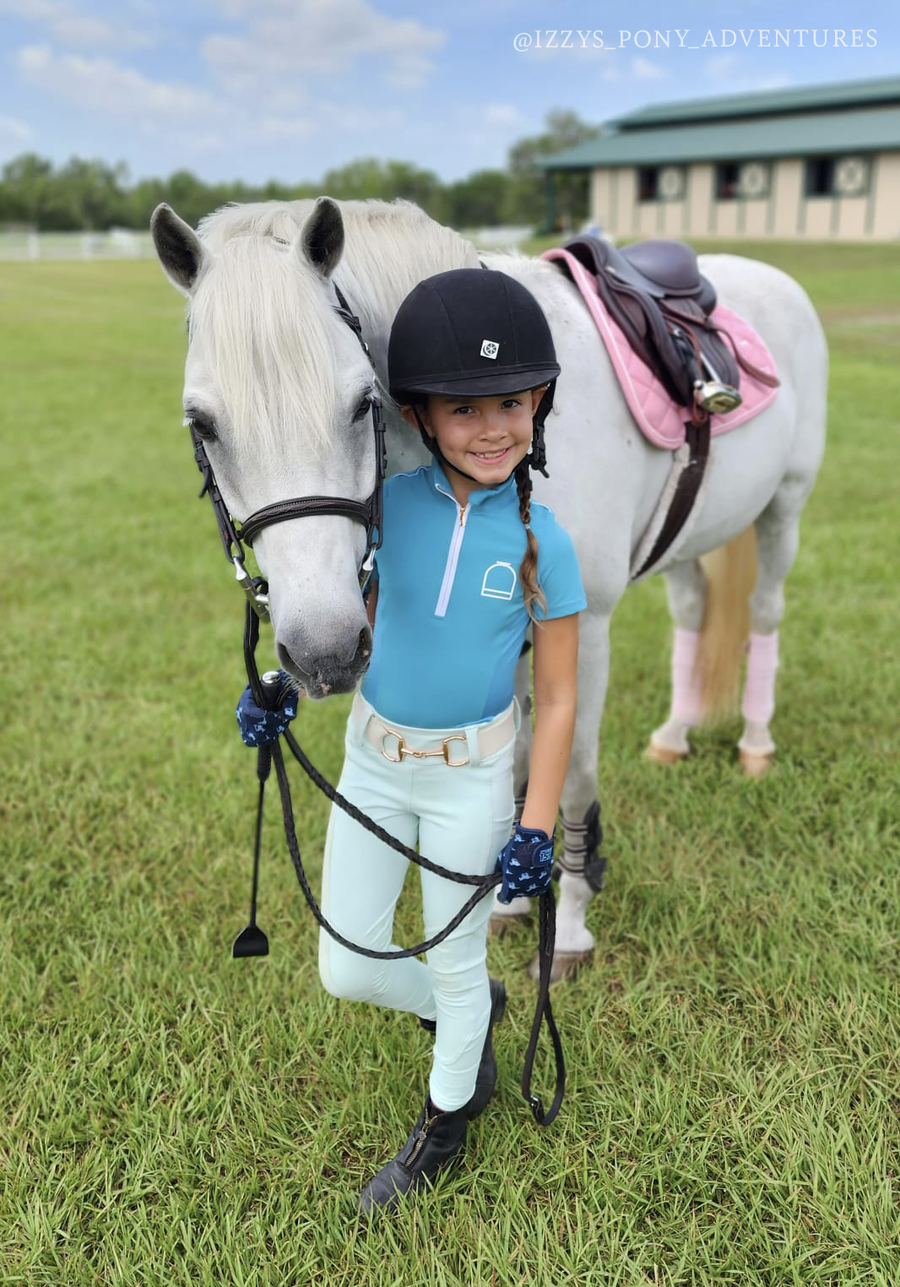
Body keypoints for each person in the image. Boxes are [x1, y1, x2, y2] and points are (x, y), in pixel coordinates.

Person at [236, 268, 586, 1214]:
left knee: (459, 958)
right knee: (346, 962)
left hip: (471, 781)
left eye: (511, 402)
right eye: (464, 408)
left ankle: (448, 1112)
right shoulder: (387, 506)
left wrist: (538, 825)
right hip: (373, 763)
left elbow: (556, 702)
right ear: (421, 415)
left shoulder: (546, 543)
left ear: (539, 404)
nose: (492, 428)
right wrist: (280, 687)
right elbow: (359, 617)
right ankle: (460, 1019)